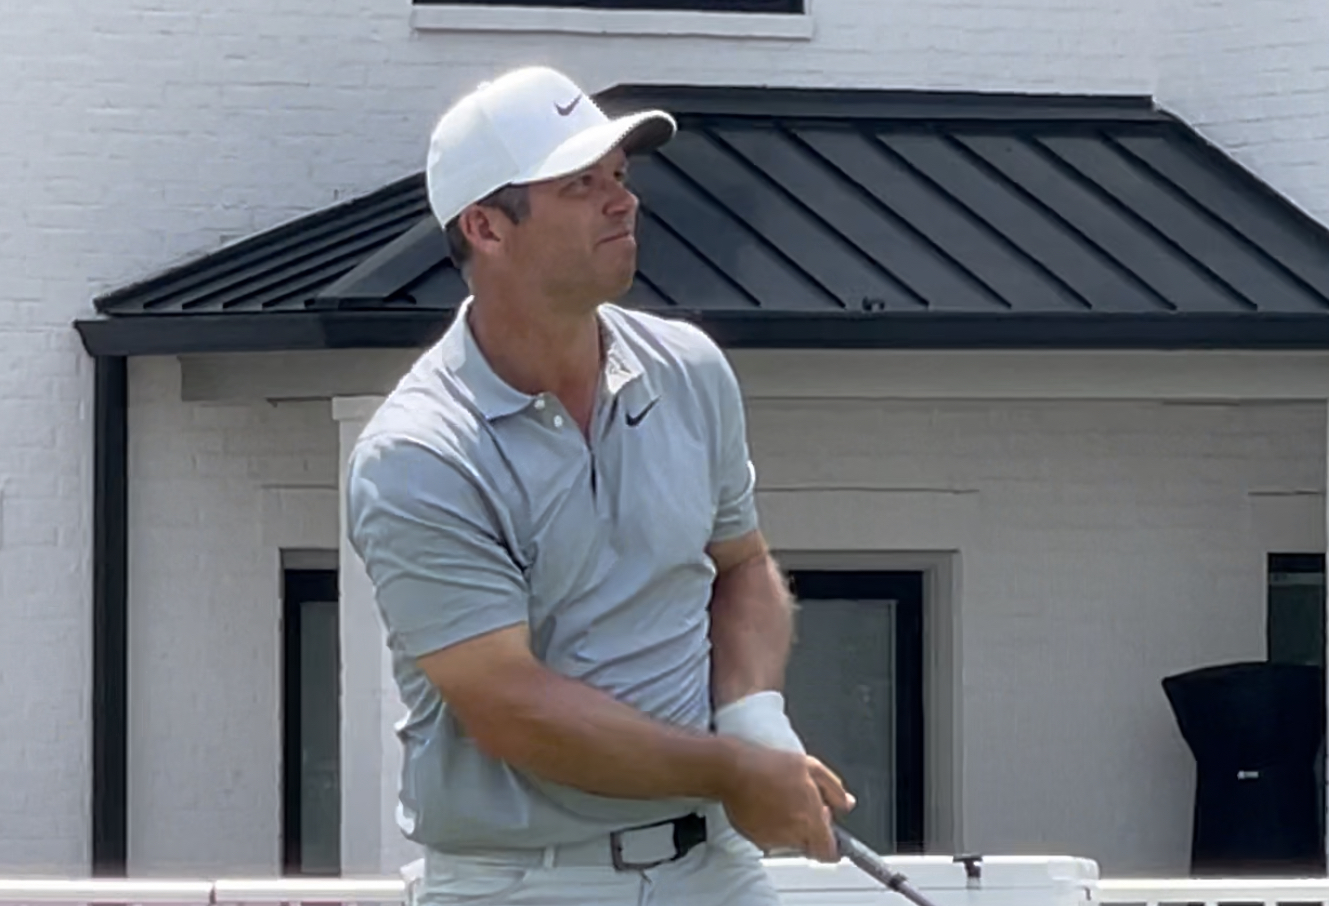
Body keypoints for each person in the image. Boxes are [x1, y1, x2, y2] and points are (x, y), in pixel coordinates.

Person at [344, 65, 855, 906]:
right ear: (485, 227)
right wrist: (735, 771)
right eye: (579, 184)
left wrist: (754, 720)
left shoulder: (688, 369)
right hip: (523, 884)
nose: (623, 202)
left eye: (617, 175)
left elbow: (740, 566)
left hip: (712, 866)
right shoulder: (419, 453)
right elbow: (511, 708)